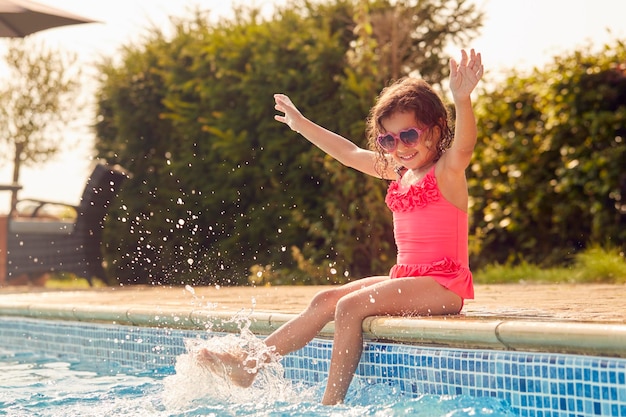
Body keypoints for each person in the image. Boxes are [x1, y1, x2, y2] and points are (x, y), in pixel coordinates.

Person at [196, 49, 484, 405]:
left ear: (436, 130)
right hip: (409, 278)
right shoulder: (400, 173)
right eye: (388, 140)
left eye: (408, 136)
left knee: (350, 307)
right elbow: (347, 153)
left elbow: (466, 145)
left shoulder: (446, 172)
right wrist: (300, 123)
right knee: (325, 300)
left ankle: (331, 405)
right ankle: (250, 365)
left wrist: (462, 99)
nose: (399, 148)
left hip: (444, 284)